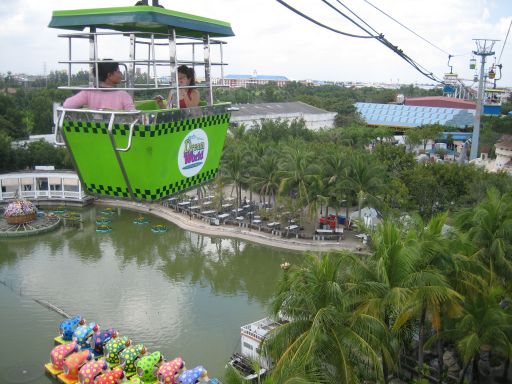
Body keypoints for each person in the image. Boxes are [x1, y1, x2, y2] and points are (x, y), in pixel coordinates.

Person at [63, 61, 135, 110]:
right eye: (118, 72)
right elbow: (134, 115)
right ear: (109, 75)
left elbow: (67, 105)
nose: (121, 74)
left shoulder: (89, 92)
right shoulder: (123, 95)